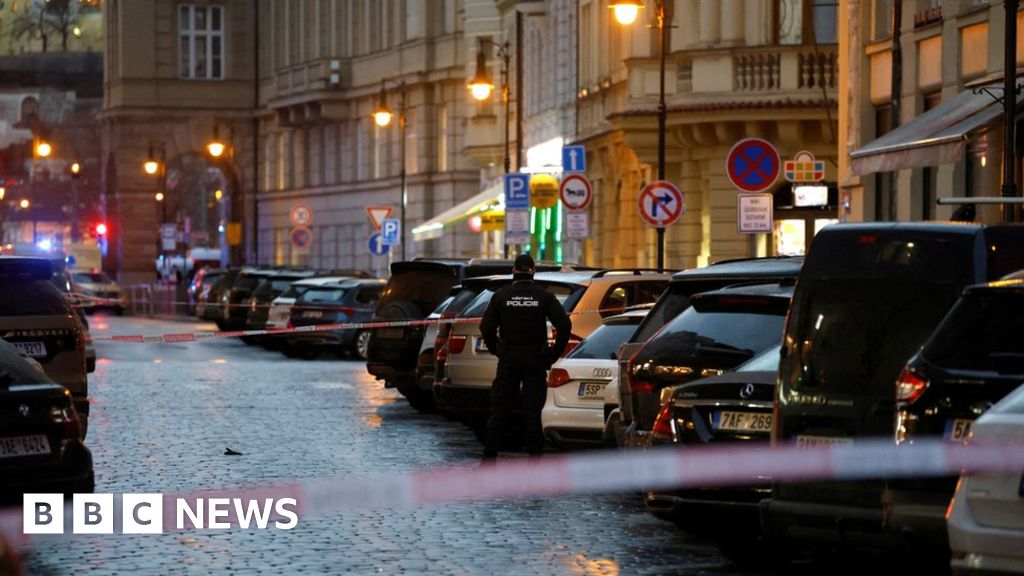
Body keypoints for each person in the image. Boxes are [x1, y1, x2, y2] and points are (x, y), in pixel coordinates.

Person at [479, 253, 572, 461]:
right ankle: (535, 457)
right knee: (532, 410)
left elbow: (486, 327)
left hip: (509, 357)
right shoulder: (544, 296)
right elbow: (564, 326)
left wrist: (497, 350)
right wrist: (552, 354)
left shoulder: (501, 296)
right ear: (533, 272)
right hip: (535, 358)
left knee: (500, 408)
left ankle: (489, 456)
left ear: (513, 270)